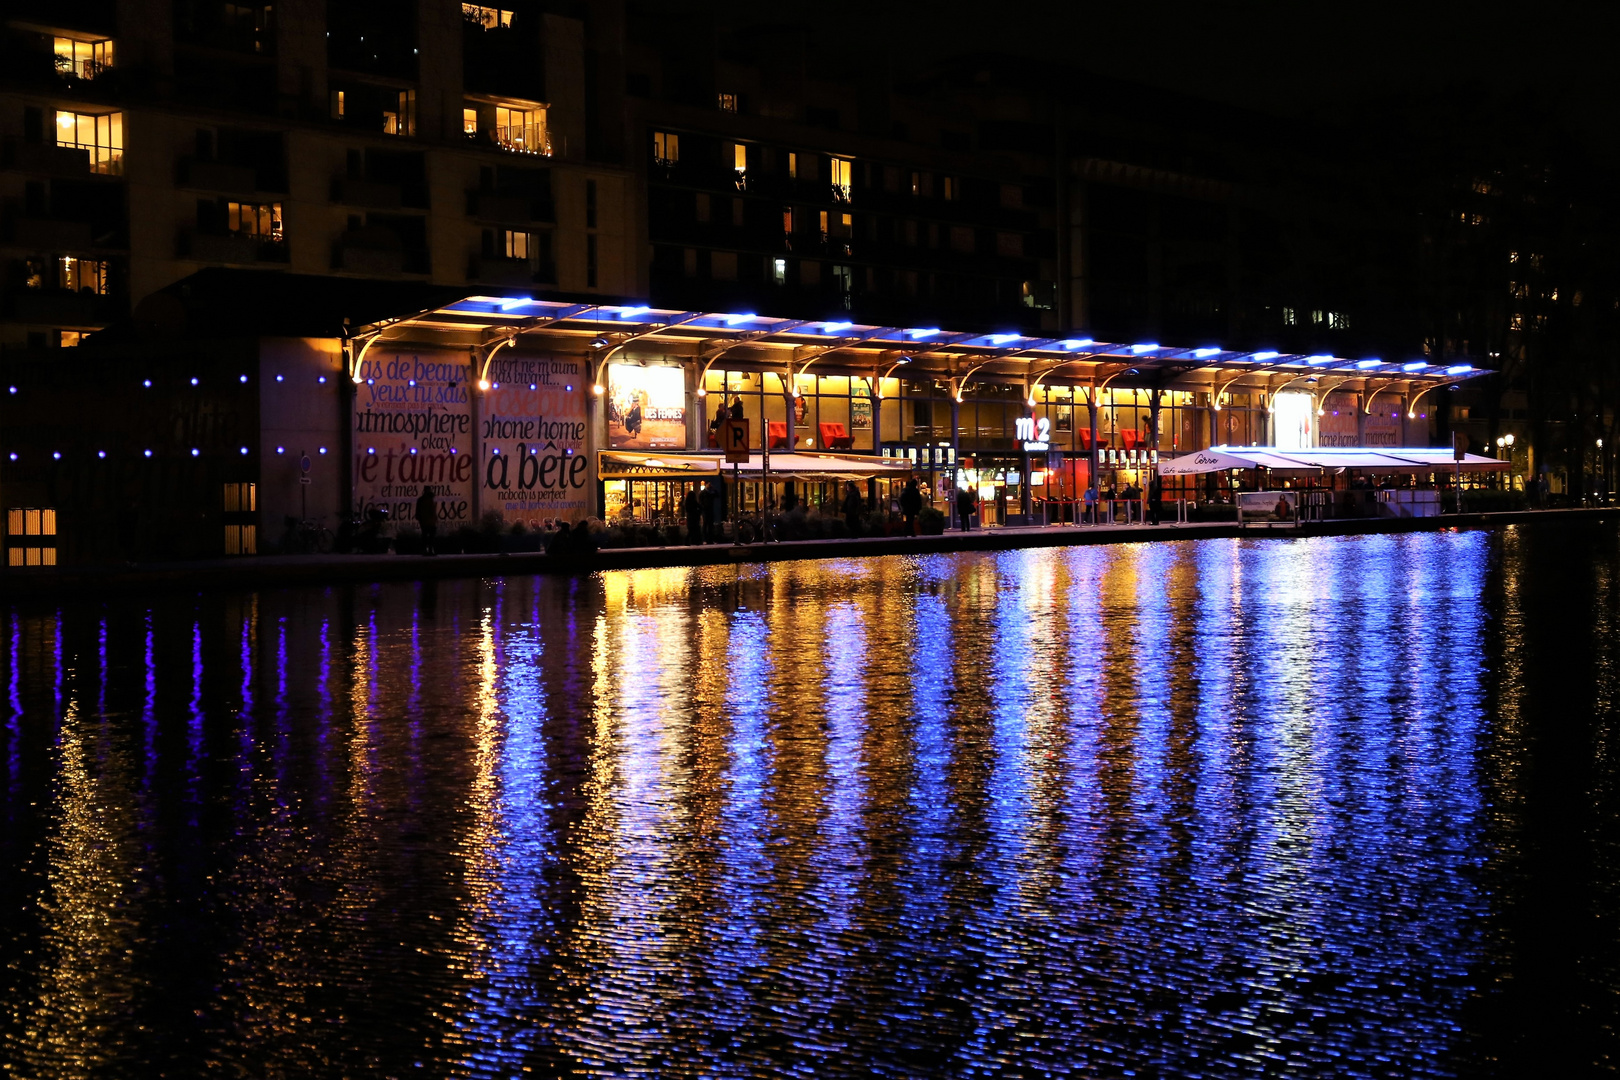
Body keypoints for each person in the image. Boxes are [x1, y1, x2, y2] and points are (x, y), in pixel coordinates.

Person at [415, 485, 437, 556]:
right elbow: (432, 510)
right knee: (429, 536)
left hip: (425, 520)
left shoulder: (423, 499)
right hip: (427, 520)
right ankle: (428, 550)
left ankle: (427, 550)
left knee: (426, 535)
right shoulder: (430, 499)